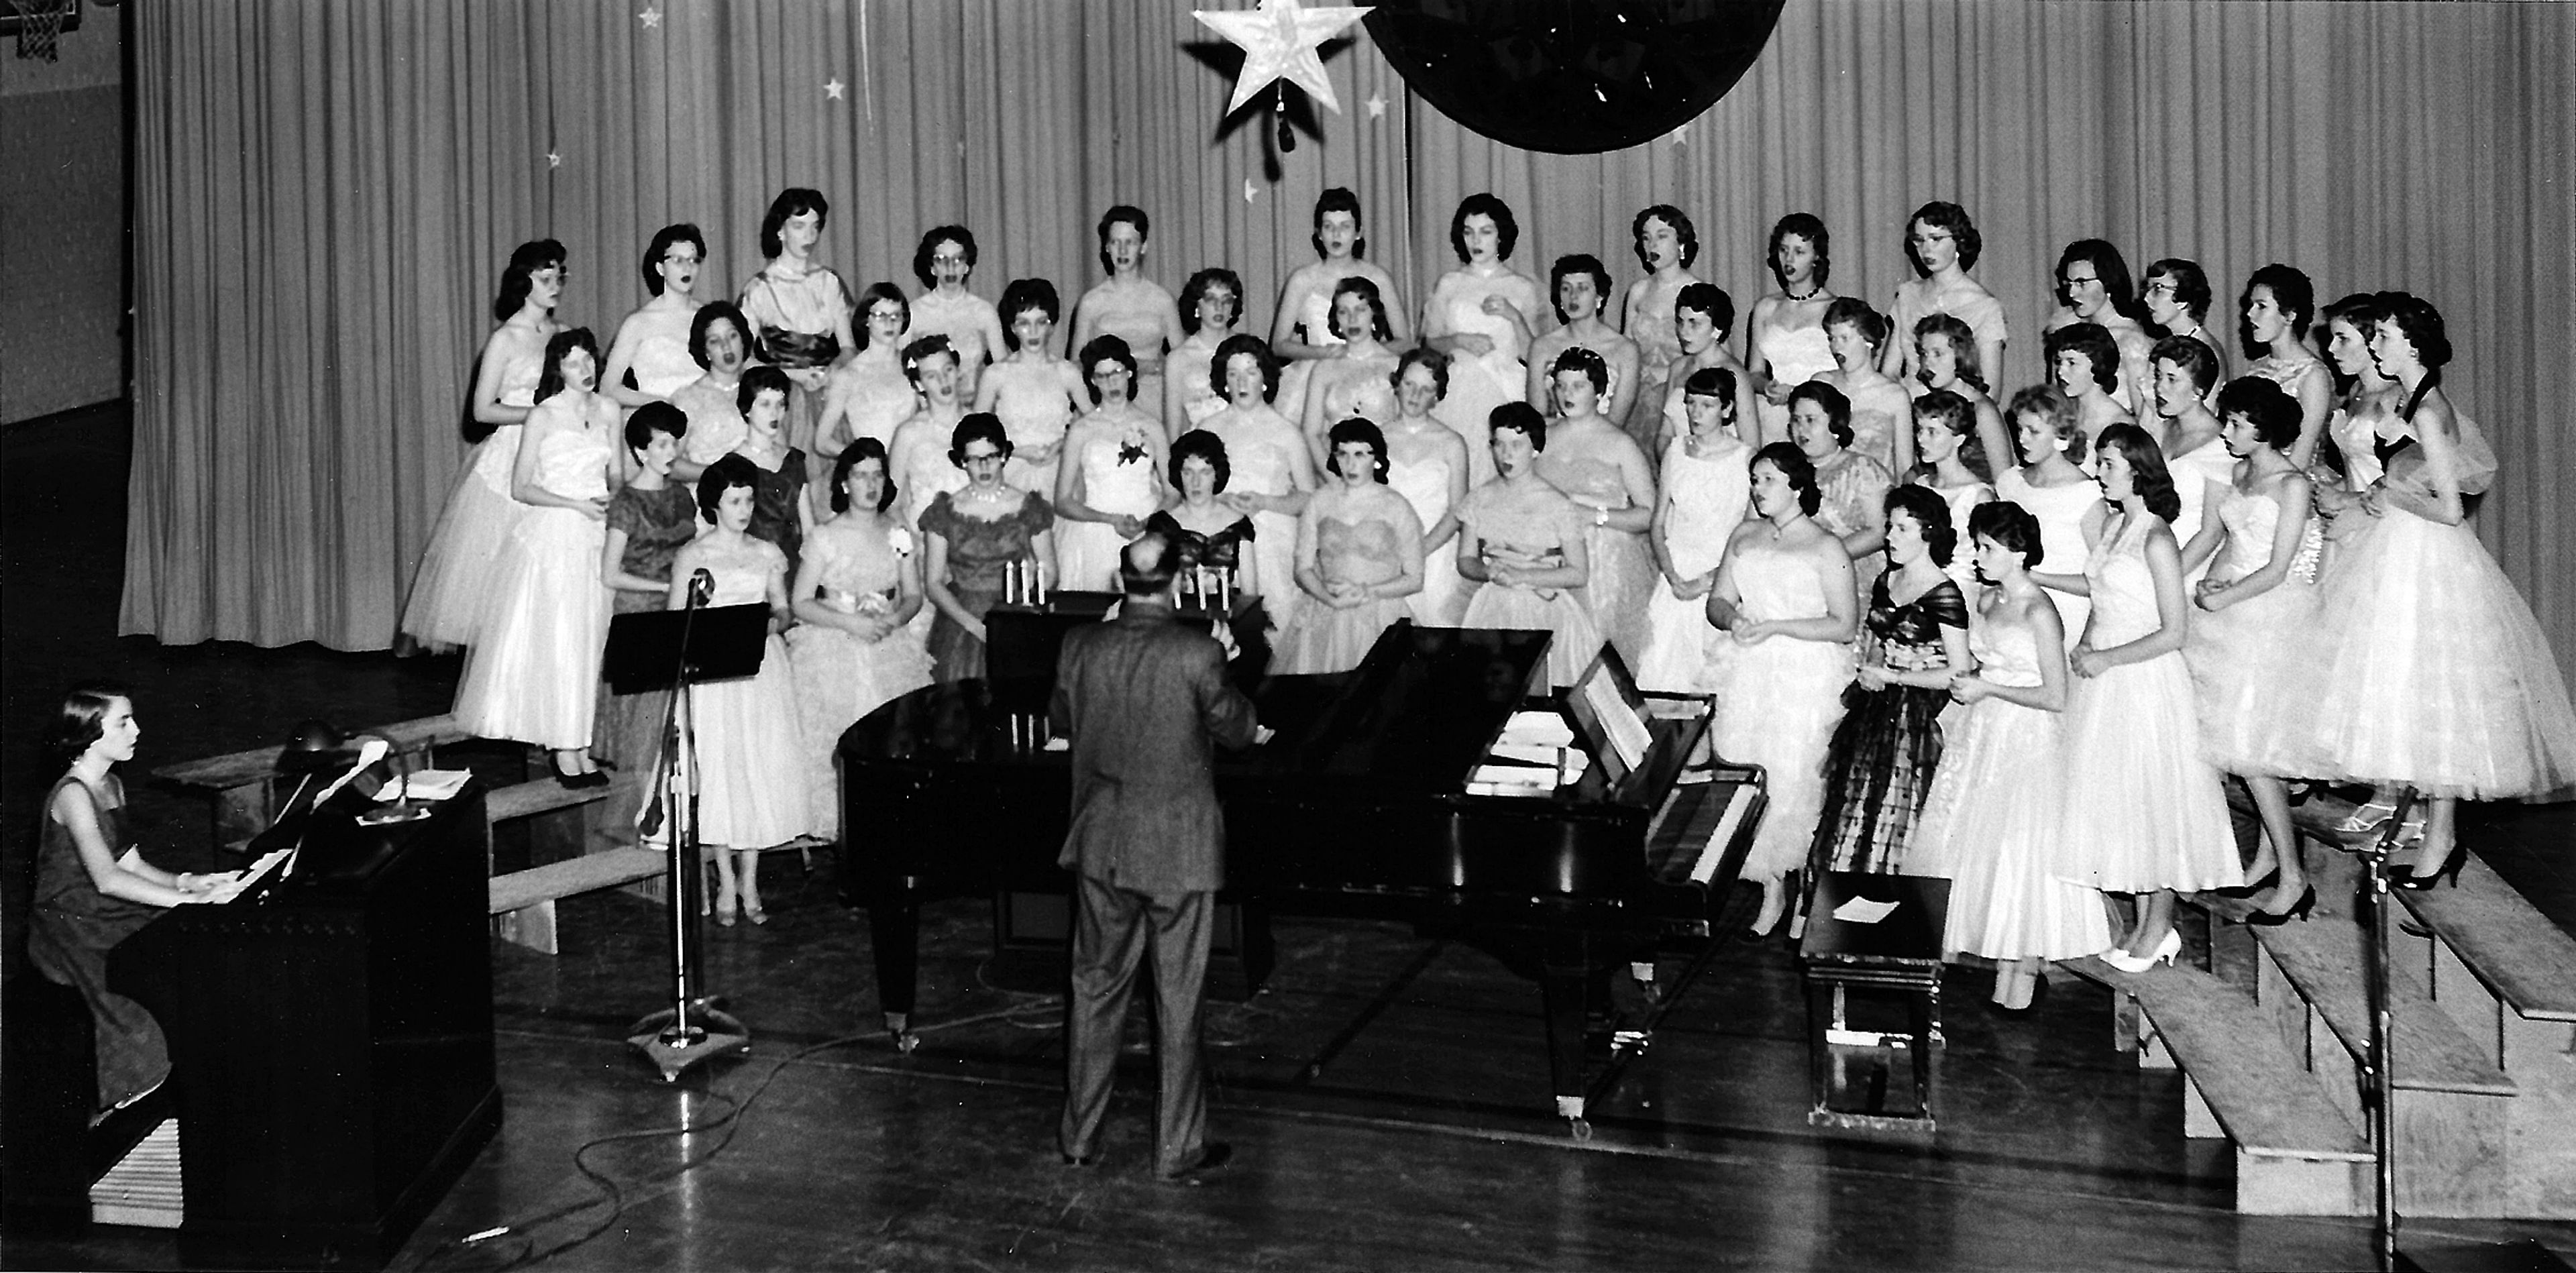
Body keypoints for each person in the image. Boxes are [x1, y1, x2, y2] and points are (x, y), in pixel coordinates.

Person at [2302, 294, 2575, 883]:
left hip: (2424, 552)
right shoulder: (2408, 401)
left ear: (2414, 346)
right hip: (2396, 546)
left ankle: (2442, 836)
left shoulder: (2428, 410)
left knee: (2434, 693)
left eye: (2387, 338)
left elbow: (2451, 509)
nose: (2377, 345)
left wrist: (2382, 495)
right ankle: (2419, 822)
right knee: (2406, 686)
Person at [1052, 533, 1262, 1182]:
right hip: (1178, 848)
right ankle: (1177, 1148)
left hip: (1101, 840)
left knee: (1094, 987)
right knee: (1178, 997)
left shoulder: (1080, 646)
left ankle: (1080, 1138)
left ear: (1122, 580)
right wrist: (1229, 664)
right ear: (1176, 581)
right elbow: (1234, 728)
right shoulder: (1197, 650)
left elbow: (1064, 715)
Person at [2043, 425, 2240, 969]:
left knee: (2155, 802)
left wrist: (2108, 657)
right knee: (2122, 803)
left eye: (2109, 463)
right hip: (2106, 678)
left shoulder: (2157, 538)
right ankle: (2140, 927)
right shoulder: (2111, 527)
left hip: (2146, 678)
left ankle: (2160, 928)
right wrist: (2083, 642)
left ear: (2138, 470)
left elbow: (2173, 630)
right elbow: (2102, 592)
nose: (2100, 472)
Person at [1905, 504, 2108, 1011]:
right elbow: (1980, 657)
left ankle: (2022, 971)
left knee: (2020, 851)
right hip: (1983, 729)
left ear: (2018, 553)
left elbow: (2057, 695)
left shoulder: (2040, 611)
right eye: (1977, 545)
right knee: (1970, 842)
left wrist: (1988, 687)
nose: (1979, 556)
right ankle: (1996, 960)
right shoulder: (1988, 599)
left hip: (2026, 731)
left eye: (1988, 548)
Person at [30, 685, 219, 1115]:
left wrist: (190, 883)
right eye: (124, 722)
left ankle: (178, 1080)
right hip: (71, 920)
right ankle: (128, 1099)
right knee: (136, 984)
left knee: (179, 952)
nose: (137, 729)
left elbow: (131, 863)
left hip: (102, 904)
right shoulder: (73, 794)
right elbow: (107, 878)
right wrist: (185, 903)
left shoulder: (111, 784)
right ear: (91, 734)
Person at [1703, 442, 1859, 937]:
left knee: (1797, 776)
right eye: (1754, 479)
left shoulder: (1824, 545)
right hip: (1750, 667)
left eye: (1768, 479)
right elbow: (1718, 601)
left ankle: (1804, 893)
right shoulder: (1744, 535)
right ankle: (1770, 887)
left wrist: (1777, 627)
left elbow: (1844, 624)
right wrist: (1735, 619)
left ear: (1796, 486)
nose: (1758, 489)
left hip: (1805, 671)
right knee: (1752, 768)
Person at [452, 328, 623, 783]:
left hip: (599, 533)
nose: (583, 370)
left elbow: (618, 474)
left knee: (594, 641)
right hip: (556, 532)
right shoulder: (543, 416)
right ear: (557, 370)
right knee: (565, 640)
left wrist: (613, 504)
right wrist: (574, 504)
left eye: (588, 360)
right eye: (572, 363)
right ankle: (564, 747)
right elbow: (521, 486)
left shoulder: (609, 410)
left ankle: (583, 742)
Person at [2180, 378, 2322, 921]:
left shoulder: (2292, 484)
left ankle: (2294, 876)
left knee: (2253, 752)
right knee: (2240, 748)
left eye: (2238, 423)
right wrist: (2209, 586)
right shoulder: (2239, 471)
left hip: (2272, 615)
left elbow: (2278, 567)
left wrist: (2228, 598)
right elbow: (2230, 545)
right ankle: (2268, 859)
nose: (2229, 431)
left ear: (2265, 429)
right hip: (2233, 608)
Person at [400, 239, 566, 651]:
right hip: (510, 457)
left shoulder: (563, 335)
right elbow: (481, 411)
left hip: (556, 455)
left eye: (560, 276)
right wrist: (534, 415)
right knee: (497, 572)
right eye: (546, 277)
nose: (556, 284)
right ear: (523, 281)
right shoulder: (505, 339)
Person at [669, 457, 812, 926]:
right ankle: (725, 879)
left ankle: (750, 878)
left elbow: (785, 609)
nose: (745, 508)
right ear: (714, 504)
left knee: (756, 768)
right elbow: (677, 620)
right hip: (713, 674)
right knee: (720, 771)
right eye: (735, 500)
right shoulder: (694, 555)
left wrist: (771, 623)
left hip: (760, 670)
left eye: (749, 499)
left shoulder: (767, 551)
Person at [1809, 486, 1970, 884]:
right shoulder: (1887, 580)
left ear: (1928, 534)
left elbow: (1959, 672)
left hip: (1916, 716)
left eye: (1902, 529)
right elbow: (1878, 643)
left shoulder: (1945, 593)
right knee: (1852, 809)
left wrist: (1895, 677)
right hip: (1876, 709)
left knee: (1894, 816)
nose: (1891, 537)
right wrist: (1873, 669)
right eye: (1889, 528)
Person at [788, 439, 934, 839]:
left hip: (887, 643)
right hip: (836, 644)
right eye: (860, 475)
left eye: (877, 475)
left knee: (895, 737)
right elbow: (800, 602)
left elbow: (913, 595)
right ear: (845, 483)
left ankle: (893, 828)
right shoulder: (826, 536)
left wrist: (895, 618)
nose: (870, 484)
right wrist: (850, 624)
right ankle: (851, 832)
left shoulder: (897, 530)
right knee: (845, 737)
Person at [594, 402, 698, 832]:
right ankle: (645, 820)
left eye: (675, 441)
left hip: (679, 611)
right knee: (645, 725)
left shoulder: (680, 495)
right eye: (662, 443)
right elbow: (610, 573)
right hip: (641, 613)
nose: (672, 450)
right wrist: (666, 588)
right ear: (640, 452)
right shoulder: (626, 503)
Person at [1457, 404, 1599, 690]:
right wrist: (1489, 572)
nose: (1506, 455)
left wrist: (1522, 577)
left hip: (1543, 610)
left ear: (1536, 448)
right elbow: (1466, 561)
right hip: (1493, 607)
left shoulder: (1558, 504)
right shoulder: (1480, 497)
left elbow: (1578, 573)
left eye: (1517, 445)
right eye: (1499, 445)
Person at [1534, 347, 1658, 671]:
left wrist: (1595, 516)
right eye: (1561, 386)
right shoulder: (1542, 437)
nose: (1566, 395)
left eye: (1578, 386)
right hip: (1548, 556)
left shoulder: (1620, 444)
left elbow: (1649, 514)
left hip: (1604, 563)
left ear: (1599, 391)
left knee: (1593, 660)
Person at [1273, 418, 1424, 673]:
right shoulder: (1319, 502)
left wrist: (1367, 591)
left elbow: (1415, 579)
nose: (1351, 464)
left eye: (1360, 454)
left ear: (1376, 458)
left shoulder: (1397, 506)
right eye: (1343, 454)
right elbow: (1303, 569)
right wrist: (1328, 599)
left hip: (1379, 614)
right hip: (1325, 610)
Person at [1635, 367, 1753, 694]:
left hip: (1720, 577)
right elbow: (1658, 522)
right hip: (1676, 571)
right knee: (1662, 673)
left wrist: (1705, 582)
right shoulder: (1675, 451)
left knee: (1711, 677)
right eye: (1690, 403)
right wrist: (1672, 575)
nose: (1695, 413)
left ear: (1727, 410)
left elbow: (1749, 538)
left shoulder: (1745, 460)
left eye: (1707, 405)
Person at [919, 414, 1056, 681]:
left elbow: (1049, 571)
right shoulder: (943, 513)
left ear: (1004, 455)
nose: (983, 466)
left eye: (990, 456)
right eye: (973, 459)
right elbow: (934, 583)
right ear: (962, 461)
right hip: (961, 621)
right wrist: (973, 625)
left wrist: (1018, 612)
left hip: (1016, 616)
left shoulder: (1030, 507)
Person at [1420, 194, 1544, 487]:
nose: (1476, 240)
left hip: (1504, 390)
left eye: (1486, 232)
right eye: (1469, 232)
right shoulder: (1450, 284)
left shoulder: (1521, 287)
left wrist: (1514, 316)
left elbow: (1534, 354)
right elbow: (1429, 343)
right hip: (1458, 389)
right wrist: (1458, 340)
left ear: (1501, 236)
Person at [1199, 333, 1316, 626]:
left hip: (1274, 538)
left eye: (1251, 373)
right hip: (1219, 539)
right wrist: (1219, 500)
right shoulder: (1207, 429)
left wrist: (1265, 502)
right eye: (1233, 374)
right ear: (1223, 381)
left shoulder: (1287, 432)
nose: (1242, 383)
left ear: (1264, 378)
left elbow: (1307, 497)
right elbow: (1191, 487)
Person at [1271, 188, 1409, 427]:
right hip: (1313, 375)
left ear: (1358, 233)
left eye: (1345, 226)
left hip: (1369, 377)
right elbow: (1278, 345)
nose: (1337, 234)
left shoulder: (1377, 277)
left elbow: (1405, 342)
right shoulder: (1302, 279)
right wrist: (1322, 353)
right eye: (1328, 226)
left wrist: (1367, 354)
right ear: (1318, 233)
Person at [739, 188, 856, 461]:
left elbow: (848, 347)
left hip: (827, 398)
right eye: (799, 226)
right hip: (783, 403)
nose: (809, 236)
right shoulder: (760, 289)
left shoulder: (829, 282)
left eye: (815, 227)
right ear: (780, 231)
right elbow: (743, 361)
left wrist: (833, 371)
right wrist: (794, 376)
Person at [1054, 336, 1171, 590]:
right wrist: (1110, 520)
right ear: (1093, 381)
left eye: (1117, 372)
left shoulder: (1152, 426)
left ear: (1129, 372)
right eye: (1102, 376)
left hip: (1144, 530)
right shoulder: (1081, 430)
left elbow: (1172, 493)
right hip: (1095, 530)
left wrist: (1147, 523)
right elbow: (1063, 501)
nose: (1112, 383)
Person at [1992, 385, 2104, 649]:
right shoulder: (2010, 483)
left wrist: (2038, 578)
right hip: (2014, 614)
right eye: (2020, 430)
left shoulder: (2086, 495)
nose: (2023, 439)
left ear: (2060, 435)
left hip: (2066, 615)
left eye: (2034, 431)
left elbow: (2105, 583)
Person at [1069, 205, 1187, 429]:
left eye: (1130, 242)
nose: (1122, 250)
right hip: (1105, 397)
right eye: (1115, 242)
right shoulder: (1091, 302)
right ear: (1106, 248)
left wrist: (1152, 367)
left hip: (1155, 399)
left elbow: (1182, 361)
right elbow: (1076, 364)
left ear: (1143, 247)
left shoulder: (1162, 300)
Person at [1383, 348, 1474, 626]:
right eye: (1409, 385)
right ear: (1397, 384)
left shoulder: (1452, 443)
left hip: (1435, 549)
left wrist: (1419, 550)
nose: (1414, 396)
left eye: (1426, 389)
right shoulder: (1378, 437)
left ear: (1437, 396)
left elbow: (1457, 510)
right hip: (1388, 550)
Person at [975, 278, 1086, 500]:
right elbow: (977, 434)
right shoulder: (996, 374)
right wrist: (1016, 451)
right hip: (1010, 473)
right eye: (1024, 323)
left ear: (1052, 325)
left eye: (1041, 322)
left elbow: (1092, 422)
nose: (1033, 331)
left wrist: (1061, 445)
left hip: (1060, 472)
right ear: (1013, 327)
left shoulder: (1067, 372)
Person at [1784, 382, 1894, 592]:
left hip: (1854, 577)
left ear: (1834, 423)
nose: (1802, 429)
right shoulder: (1786, 470)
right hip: (1797, 580)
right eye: (1796, 420)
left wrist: (1821, 558)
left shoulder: (1862, 470)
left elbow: (1880, 531)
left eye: (1811, 420)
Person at [1884, 201, 2006, 386]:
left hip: (1957, 410)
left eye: (1936, 239)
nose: (1926, 249)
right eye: (1920, 240)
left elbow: (1990, 390)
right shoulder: (1908, 294)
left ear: (1959, 241)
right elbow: (1889, 372)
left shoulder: (1985, 305)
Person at [2150, 337, 2237, 586]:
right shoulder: (2161, 430)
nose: (2159, 388)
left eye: (2172, 380)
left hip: (2189, 566)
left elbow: (2211, 532)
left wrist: (2166, 580)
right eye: (2158, 376)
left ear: (2199, 390)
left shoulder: (2220, 445)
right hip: (2154, 551)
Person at [1747, 213, 1838, 447]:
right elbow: (1754, 372)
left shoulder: (1832, 308)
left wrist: (1798, 392)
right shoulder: (1765, 308)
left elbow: (1844, 375)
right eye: (1784, 250)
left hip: (1818, 414)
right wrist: (1766, 387)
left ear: (1816, 257)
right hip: (1774, 413)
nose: (1789, 259)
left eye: (1799, 252)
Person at [1523, 254, 1641, 437]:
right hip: (1553, 444)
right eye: (1566, 289)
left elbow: (1617, 422)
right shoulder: (1541, 346)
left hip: (1605, 447)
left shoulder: (1626, 349)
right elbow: (1537, 417)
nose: (1573, 297)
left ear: (1599, 295)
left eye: (1583, 288)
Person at [1294, 276, 1402, 467]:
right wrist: (1333, 479)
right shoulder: (1324, 369)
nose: (1352, 319)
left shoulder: (1394, 366)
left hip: (1385, 470)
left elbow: (1403, 429)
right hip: (1334, 470)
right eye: (1344, 312)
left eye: (1360, 310)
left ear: (1374, 314)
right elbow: (1311, 434)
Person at [2039, 240, 2157, 415]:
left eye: (2081, 283)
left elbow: (2145, 418)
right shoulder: (2065, 332)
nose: (2072, 293)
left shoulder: (2133, 342)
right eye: (2069, 284)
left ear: (2108, 283)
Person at [1619, 205, 1704, 445]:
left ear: (1681, 243)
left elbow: (1719, 357)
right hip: (1638, 398)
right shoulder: (1638, 292)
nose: (1652, 245)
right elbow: (1626, 351)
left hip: (1680, 399)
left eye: (1662, 236)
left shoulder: (1697, 292)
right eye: (1646, 238)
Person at [602, 223, 710, 407]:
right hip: (660, 421)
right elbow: (609, 388)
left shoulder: (709, 317)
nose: (687, 268)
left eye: (693, 260)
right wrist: (663, 403)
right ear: (660, 268)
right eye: (678, 260)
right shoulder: (638, 322)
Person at [2237, 264, 2334, 467]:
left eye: (2261, 306)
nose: (2250, 314)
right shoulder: (2257, 368)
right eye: (2251, 306)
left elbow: (2302, 456)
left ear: (2289, 315)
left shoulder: (2313, 376)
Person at [1148, 429, 1261, 601]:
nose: (1196, 482)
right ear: (1178, 474)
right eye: (1188, 472)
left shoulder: (1239, 526)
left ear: (1217, 475)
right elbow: (1154, 592)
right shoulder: (1162, 526)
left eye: (1205, 472)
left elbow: (1250, 597)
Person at [1653, 284, 1761, 455]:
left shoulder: (1734, 374)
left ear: (1717, 329)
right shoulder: (1678, 367)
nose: (1684, 332)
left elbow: (1751, 445)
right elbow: (1665, 434)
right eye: (1680, 322)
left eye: (1694, 324)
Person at [815, 282, 922, 455]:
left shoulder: (913, 366)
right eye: (881, 316)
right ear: (866, 320)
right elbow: (822, 442)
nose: (889, 323)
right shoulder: (849, 375)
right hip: (873, 475)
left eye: (896, 316)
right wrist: (863, 461)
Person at [1907, 314, 2015, 486]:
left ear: (1960, 356)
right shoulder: (1926, 405)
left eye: (1938, 354)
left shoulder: (1982, 410)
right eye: (1924, 354)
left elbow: (2004, 478)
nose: (1928, 363)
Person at [732, 366, 816, 581]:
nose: (774, 413)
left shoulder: (794, 460)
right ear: (747, 409)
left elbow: (808, 527)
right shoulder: (733, 464)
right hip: (752, 568)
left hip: (795, 563)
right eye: (765, 404)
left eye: (780, 405)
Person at [908, 225, 1009, 404]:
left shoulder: (984, 312)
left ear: (967, 267)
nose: (950, 268)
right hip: (928, 412)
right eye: (942, 260)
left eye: (958, 259)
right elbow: (903, 373)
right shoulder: (915, 312)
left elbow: (1003, 372)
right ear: (932, 267)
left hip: (977, 411)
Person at [1907, 389, 1993, 592]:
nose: (1921, 439)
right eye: (1920, 430)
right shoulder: (1920, 486)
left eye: (1932, 432)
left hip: (1960, 593)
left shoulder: (1978, 496)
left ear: (1959, 439)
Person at [1818, 298, 1913, 476]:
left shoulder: (1894, 395)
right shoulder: (1822, 383)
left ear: (1868, 341)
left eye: (1844, 338)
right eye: (1832, 338)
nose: (1836, 347)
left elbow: (1904, 466)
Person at [886, 335, 971, 533]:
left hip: (975, 534)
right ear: (920, 385)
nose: (943, 380)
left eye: (948, 370)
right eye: (932, 376)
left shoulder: (980, 423)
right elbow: (893, 505)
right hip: (925, 535)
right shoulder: (908, 433)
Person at [670, 300, 754, 483]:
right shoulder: (688, 399)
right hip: (708, 498)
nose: (726, 347)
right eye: (715, 341)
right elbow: (670, 464)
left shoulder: (759, 390)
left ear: (743, 340)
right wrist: (720, 477)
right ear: (705, 351)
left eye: (732, 336)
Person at [1168, 267, 1247, 436]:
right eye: (1211, 299)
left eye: (1226, 300)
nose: (1219, 307)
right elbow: (1173, 430)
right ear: (1197, 305)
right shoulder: (1178, 358)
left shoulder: (1247, 349)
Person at [2045, 321, 2136, 451]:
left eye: (2072, 363)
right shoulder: (2061, 413)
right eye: (2059, 362)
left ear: (2098, 365)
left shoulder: (2121, 424)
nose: (2060, 372)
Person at [2141, 258, 2228, 384]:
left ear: (2183, 299)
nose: (2146, 298)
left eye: (2158, 289)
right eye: (2148, 289)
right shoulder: (2169, 344)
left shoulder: (2206, 351)